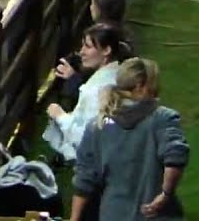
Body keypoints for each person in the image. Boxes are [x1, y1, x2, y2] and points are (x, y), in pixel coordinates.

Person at [71, 58, 189, 221]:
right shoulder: (162, 118)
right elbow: (175, 157)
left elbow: (84, 181)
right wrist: (165, 194)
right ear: (142, 85)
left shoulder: (98, 125)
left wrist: (74, 219)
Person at [42, 23, 128, 161]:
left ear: (106, 50)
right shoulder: (117, 74)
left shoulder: (98, 91)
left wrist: (60, 116)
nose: (81, 52)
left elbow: (84, 138)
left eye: (88, 46)